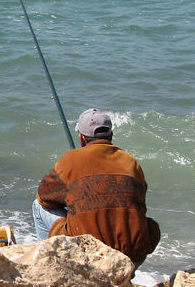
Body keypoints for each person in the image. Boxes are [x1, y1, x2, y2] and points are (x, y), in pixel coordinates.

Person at [32, 108, 160, 266]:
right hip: (132, 257)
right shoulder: (130, 162)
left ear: (82, 138)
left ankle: (45, 264)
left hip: (90, 257)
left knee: (38, 206)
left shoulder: (70, 160)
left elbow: (44, 198)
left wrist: (73, 198)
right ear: (111, 136)